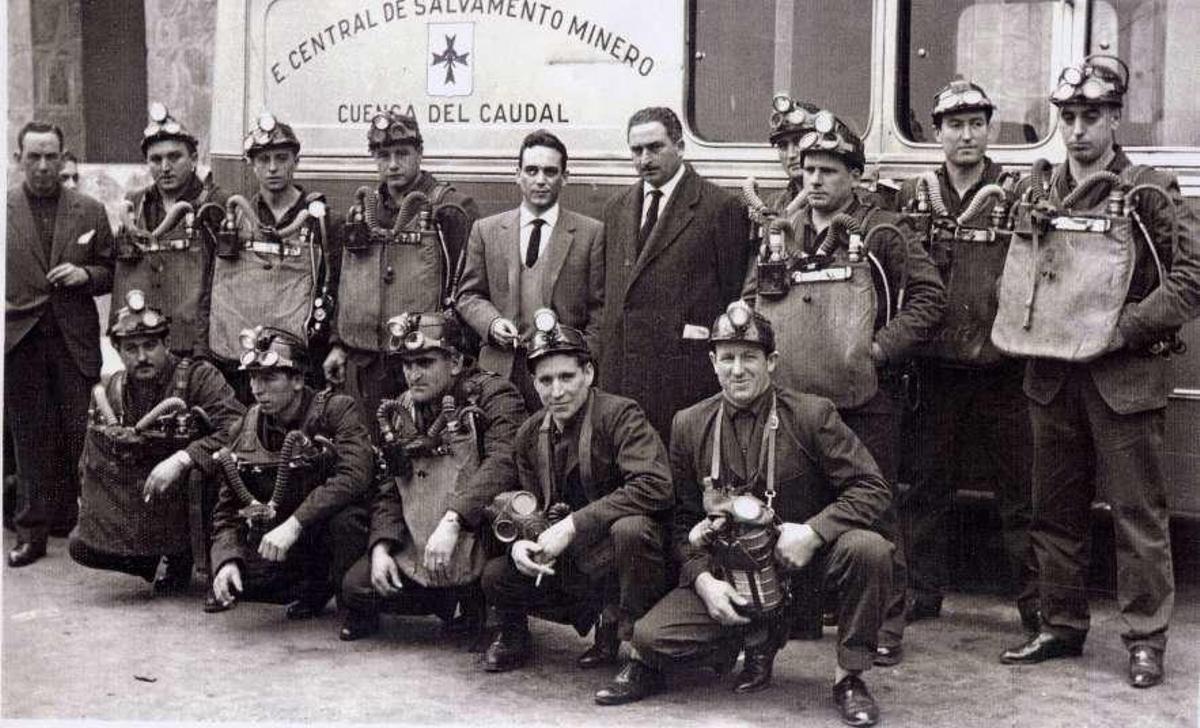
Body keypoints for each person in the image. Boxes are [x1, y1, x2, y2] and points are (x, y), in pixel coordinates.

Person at [998, 55, 1200, 689]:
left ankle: (1145, 639)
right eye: (1069, 117)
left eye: (1092, 116)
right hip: (1052, 375)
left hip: (1123, 376)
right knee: (1053, 509)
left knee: (1137, 514)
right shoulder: (1036, 191)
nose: (1078, 129)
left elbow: (1192, 280)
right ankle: (1059, 624)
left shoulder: (1149, 191)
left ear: (1115, 118)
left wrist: (1127, 328)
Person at [597, 302, 893, 728]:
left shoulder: (812, 415)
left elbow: (872, 488)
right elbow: (681, 522)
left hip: (799, 571)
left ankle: (849, 679)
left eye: (749, 357)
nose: (738, 370)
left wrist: (812, 533)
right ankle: (740, 644)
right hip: (729, 576)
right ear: (713, 362)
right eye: (728, 358)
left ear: (770, 362)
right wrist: (704, 583)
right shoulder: (689, 424)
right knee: (651, 637)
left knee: (868, 549)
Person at [743, 101, 945, 665]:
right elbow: (748, 300)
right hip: (799, 402)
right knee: (801, 504)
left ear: (855, 176)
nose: (815, 179)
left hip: (866, 401)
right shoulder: (783, 232)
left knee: (874, 510)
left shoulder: (883, 230)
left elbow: (930, 301)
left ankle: (885, 626)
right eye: (808, 169)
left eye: (829, 170)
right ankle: (803, 613)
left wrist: (877, 350)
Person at [894, 81, 1037, 630]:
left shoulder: (1017, 191)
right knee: (927, 487)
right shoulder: (914, 195)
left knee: (1018, 492)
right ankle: (921, 593)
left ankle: (1035, 603)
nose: (967, 135)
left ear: (990, 130)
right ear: (937, 134)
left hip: (1002, 368)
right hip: (935, 369)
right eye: (955, 125)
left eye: (977, 123)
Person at [480, 311, 673, 675]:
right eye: (546, 380)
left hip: (623, 558)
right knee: (497, 575)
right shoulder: (529, 434)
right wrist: (523, 543)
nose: (557, 391)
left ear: (589, 373)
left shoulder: (620, 415)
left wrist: (572, 525)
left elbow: (656, 485)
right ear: (534, 385)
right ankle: (514, 635)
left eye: (567, 377)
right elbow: (530, 505)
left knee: (630, 530)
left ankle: (636, 650)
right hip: (573, 561)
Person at [338, 311, 526, 641]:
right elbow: (389, 486)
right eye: (407, 364)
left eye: (424, 362)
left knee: (509, 507)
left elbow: (503, 463)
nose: (413, 374)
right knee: (356, 589)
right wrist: (382, 545)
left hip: (475, 533)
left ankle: (490, 610)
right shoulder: (401, 408)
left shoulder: (495, 395)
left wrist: (455, 519)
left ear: (454, 362)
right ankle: (448, 600)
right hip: (422, 537)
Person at [69, 291, 244, 591]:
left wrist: (183, 458)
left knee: (210, 474)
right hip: (145, 499)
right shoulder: (111, 390)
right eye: (131, 348)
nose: (141, 357)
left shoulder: (199, 378)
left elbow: (239, 429)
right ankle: (149, 555)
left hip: (196, 496)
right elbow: (90, 455)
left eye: (150, 346)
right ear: (118, 351)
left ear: (166, 344)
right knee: (82, 545)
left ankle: (191, 555)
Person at [599, 106, 750, 441]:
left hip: (683, 378)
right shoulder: (616, 207)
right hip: (624, 375)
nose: (645, 159)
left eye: (655, 147)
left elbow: (731, 295)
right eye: (636, 150)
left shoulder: (719, 207)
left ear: (680, 147)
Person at [5, 121, 115, 567]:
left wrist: (84, 275)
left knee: (82, 436)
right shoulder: (5, 209)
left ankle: (91, 530)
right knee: (28, 437)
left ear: (65, 156)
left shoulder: (88, 210)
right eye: (34, 156)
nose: (45, 166)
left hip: (74, 341)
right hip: (21, 341)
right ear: (19, 160)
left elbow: (112, 270)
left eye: (52, 156)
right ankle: (31, 532)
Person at [324, 110, 480, 422]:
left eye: (402, 154)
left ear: (420, 153)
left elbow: (467, 289)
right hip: (370, 364)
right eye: (383, 156)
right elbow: (345, 284)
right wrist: (339, 344)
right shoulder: (361, 214)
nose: (393, 164)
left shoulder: (449, 210)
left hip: (426, 361)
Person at [208, 327, 373, 618]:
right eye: (253, 377)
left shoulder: (337, 410)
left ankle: (358, 610)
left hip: (326, 529)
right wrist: (226, 560)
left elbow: (354, 475)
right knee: (244, 584)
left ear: (297, 379)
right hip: (284, 534)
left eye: (269, 378)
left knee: (347, 521)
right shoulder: (245, 427)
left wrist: (296, 523)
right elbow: (227, 508)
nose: (258, 388)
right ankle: (311, 588)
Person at [456, 129, 605, 411]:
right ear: (518, 174)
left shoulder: (590, 233)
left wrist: (582, 360)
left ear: (565, 177)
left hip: (559, 375)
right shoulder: (486, 230)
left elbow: (600, 308)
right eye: (532, 170)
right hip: (500, 369)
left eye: (550, 172)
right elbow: (468, 295)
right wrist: (491, 324)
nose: (540, 180)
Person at [207, 112, 337, 400]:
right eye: (264, 160)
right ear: (252, 165)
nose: (273, 168)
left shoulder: (320, 220)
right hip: (244, 360)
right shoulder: (237, 217)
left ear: (296, 161)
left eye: (281, 158)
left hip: (297, 362)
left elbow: (336, 284)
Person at [115, 102, 228, 358]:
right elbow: (122, 273)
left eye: (174, 157)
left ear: (194, 159)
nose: (165, 167)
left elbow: (224, 281)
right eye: (156, 159)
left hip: (197, 343)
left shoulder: (214, 203)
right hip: (147, 344)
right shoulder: (135, 204)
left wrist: (205, 346)